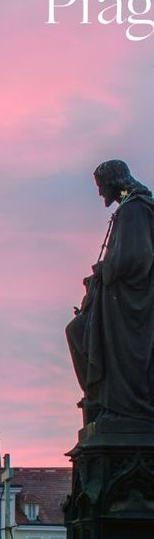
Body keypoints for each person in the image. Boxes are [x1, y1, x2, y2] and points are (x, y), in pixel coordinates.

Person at [66, 160, 154, 423]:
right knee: (77, 330)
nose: (100, 192)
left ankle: (112, 402)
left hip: (129, 302)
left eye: (100, 185)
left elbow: (137, 257)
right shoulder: (130, 209)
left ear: (113, 182)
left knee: (79, 331)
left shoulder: (134, 210)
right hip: (118, 297)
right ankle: (100, 398)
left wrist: (105, 270)